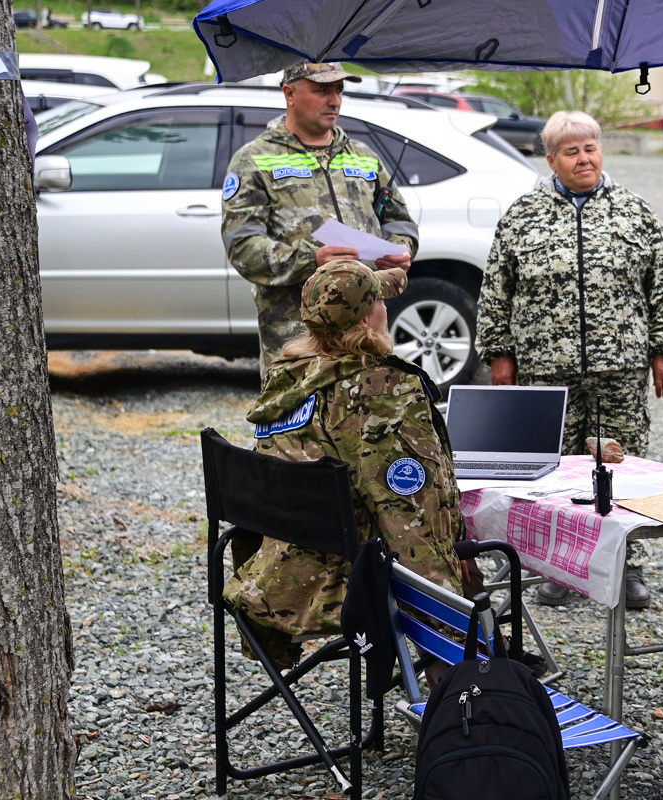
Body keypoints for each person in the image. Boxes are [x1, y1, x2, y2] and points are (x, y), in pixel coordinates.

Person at [476, 110, 663, 609]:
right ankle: (559, 569)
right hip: (545, 372)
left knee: (622, 469)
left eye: (590, 147)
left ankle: (625, 566)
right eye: (571, 151)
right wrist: (500, 356)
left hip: (619, 370)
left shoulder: (634, 211)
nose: (584, 158)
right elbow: (495, 292)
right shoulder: (523, 215)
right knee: (552, 474)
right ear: (551, 159)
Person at [223, 260, 468, 668]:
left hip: (274, 571)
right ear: (369, 317)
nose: (387, 308)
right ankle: (465, 692)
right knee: (462, 552)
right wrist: (451, 625)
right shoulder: (382, 389)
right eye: (379, 300)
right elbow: (414, 516)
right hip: (346, 579)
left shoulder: (285, 377)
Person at [222, 60, 418, 377]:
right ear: (290, 93)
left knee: (367, 420)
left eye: (339, 90)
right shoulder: (254, 160)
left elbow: (399, 220)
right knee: (298, 424)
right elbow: (243, 248)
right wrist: (312, 258)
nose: (335, 100)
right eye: (322, 90)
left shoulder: (362, 154)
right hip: (297, 335)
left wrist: (398, 249)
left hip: (366, 332)